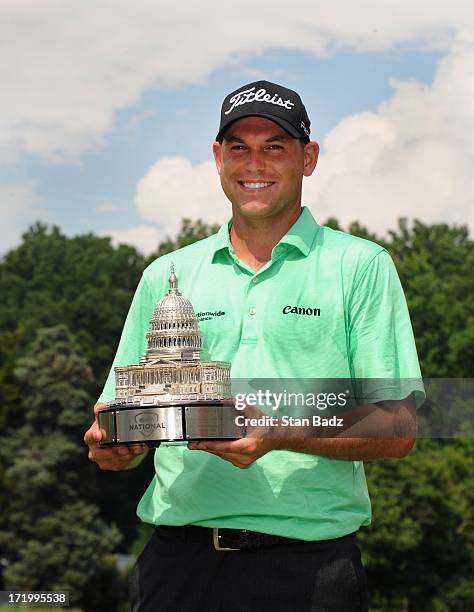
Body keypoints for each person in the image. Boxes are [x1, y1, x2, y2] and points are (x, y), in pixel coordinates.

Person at [84, 80, 424, 611]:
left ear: (308, 158)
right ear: (218, 158)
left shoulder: (361, 266)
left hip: (310, 568)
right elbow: (118, 415)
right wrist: (114, 445)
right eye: (239, 147)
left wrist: (278, 433)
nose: (254, 164)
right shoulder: (165, 274)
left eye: (275, 147)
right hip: (177, 564)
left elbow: (398, 426)